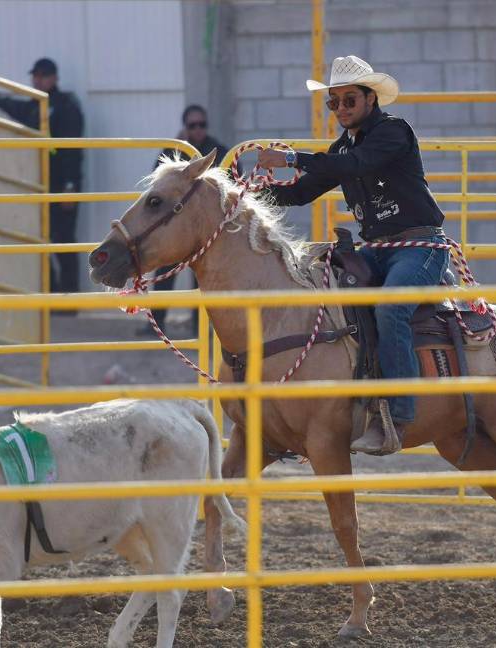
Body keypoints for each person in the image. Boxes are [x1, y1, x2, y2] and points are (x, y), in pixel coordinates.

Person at [257, 55, 450, 456]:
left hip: (421, 248)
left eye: (349, 100)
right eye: (334, 102)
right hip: (377, 250)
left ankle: (399, 415)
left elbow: (355, 164)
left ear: (370, 99)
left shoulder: (393, 132)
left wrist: (291, 158)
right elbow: (302, 193)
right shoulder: (342, 148)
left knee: (390, 309)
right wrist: (249, 194)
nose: (341, 109)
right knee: (323, 299)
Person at [0, 58, 85, 295]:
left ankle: (70, 296)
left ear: (54, 78)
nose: (38, 80)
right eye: (35, 76)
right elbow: (19, 109)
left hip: (62, 185)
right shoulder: (36, 106)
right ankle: (51, 293)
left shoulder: (66, 106)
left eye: (43, 76)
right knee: (40, 240)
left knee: (63, 241)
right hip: (40, 184)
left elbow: (73, 151)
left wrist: (70, 186)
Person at [141, 105, 230, 337]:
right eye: (193, 125)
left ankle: (199, 330)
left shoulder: (218, 151)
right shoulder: (175, 151)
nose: (198, 129)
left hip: (204, 231)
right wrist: (173, 148)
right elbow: (156, 183)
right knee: (164, 276)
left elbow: (233, 181)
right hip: (176, 230)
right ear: (185, 127)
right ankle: (156, 325)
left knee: (201, 281)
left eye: (202, 125)